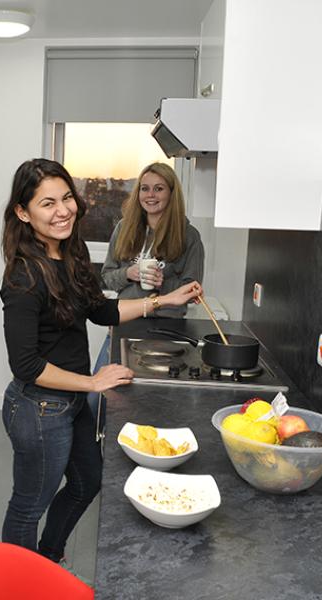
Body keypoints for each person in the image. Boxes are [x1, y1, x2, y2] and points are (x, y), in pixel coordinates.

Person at [0, 158, 202, 563]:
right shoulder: (23, 276)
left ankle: (48, 556)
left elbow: (103, 312)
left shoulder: (68, 257)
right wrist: (92, 382)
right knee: (28, 507)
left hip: (68, 402)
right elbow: (26, 365)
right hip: (38, 408)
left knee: (86, 482)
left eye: (66, 198)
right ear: (23, 213)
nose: (62, 211)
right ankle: (22, 583)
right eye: (47, 203)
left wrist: (165, 299)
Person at [90, 162, 205, 431]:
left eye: (158, 189)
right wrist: (129, 273)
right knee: (97, 401)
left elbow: (192, 289)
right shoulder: (124, 228)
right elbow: (107, 275)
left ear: (171, 193)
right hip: (124, 326)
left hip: (167, 333)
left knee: (151, 406)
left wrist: (165, 283)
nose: (150, 195)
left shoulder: (190, 237)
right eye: (144, 189)